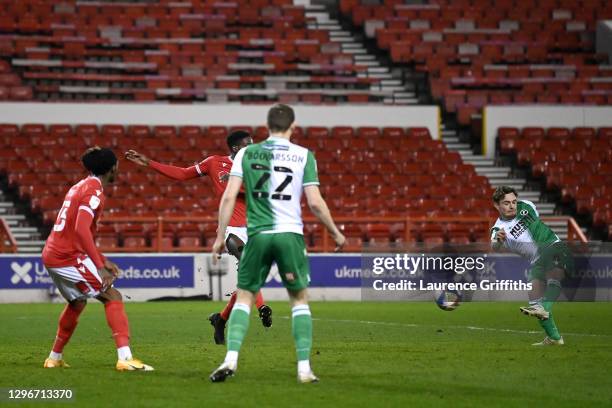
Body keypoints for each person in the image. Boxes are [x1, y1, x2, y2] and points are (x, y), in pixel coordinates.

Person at [209, 104, 346, 383]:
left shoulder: (247, 152)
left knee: (245, 297)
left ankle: (230, 361)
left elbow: (228, 197)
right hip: (289, 235)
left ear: (267, 126)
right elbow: (316, 203)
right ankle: (304, 370)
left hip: (257, 234)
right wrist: (335, 233)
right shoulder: (303, 155)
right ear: (292, 126)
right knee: (299, 300)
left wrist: (219, 237)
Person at [125, 130, 272, 345]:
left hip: (255, 228)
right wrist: (150, 163)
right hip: (231, 228)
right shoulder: (215, 163)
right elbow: (183, 174)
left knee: (247, 284)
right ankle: (263, 308)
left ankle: (220, 319)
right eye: (247, 145)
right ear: (235, 148)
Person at [42, 147, 153, 371]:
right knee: (113, 296)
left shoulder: (79, 186)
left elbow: (78, 232)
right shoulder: (94, 192)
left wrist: (101, 258)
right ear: (112, 168)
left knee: (77, 302)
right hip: (67, 257)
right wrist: (100, 267)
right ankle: (125, 358)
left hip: (53, 253)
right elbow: (81, 229)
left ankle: (54, 358)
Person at [490, 186, 574, 346]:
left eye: (514, 202)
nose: (512, 206)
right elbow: (494, 245)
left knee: (552, 275)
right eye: (506, 203)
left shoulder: (527, 206)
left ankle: (546, 307)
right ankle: (554, 338)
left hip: (554, 247)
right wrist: (498, 240)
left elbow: (536, 225)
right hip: (538, 262)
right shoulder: (498, 229)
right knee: (534, 300)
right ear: (496, 205)